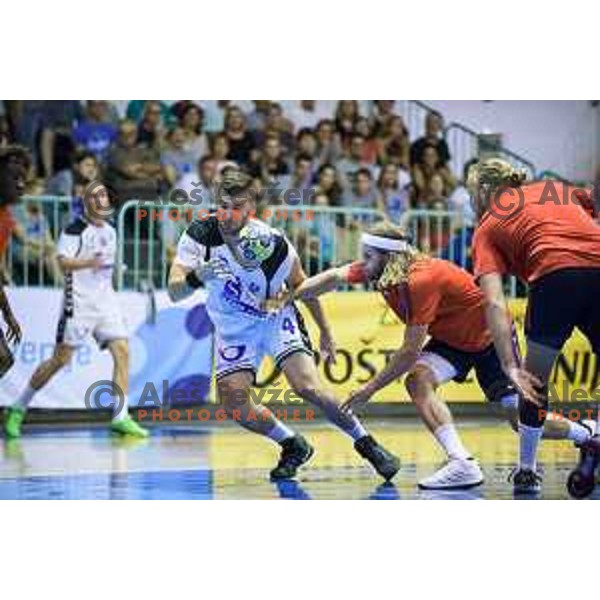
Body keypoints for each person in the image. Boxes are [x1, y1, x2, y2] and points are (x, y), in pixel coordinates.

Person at [283, 221, 599, 490]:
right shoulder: (382, 268)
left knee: (520, 420)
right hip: (454, 342)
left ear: (389, 257)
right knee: (418, 381)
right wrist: (287, 295)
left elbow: (409, 352)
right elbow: (333, 277)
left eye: (367, 256)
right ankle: (462, 462)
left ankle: (587, 432)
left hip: (492, 341)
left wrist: (369, 389)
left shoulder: (421, 281)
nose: (361, 263)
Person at [167, 169, 400, 481]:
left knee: (307, 387)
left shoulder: (272, 243)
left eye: (236, 208)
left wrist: (326, 332)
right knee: (235, 405)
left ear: (250, 209)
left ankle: (366, 442)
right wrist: (199, 276)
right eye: (222, 205)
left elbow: (305, 286)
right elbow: (174, 289)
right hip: (234, 329)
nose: (227, 214)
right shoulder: (198, 235)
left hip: (275, 319)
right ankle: (291, 444)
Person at [470, 158, 600, 494]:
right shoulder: (555, 188)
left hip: (555, 279)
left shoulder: (487, 225)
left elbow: (495, 302)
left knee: (534, 380)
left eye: (471, 191)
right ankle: (596, 436)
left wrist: (510, 366)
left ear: (484, 190)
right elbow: (593, 203)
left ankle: (527, 470)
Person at [4, 182, 149, 439]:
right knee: (60, 360)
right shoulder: (74, 230)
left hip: (105, 303)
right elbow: (62, 263)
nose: (99, 200)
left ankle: (120, 416)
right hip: (78, 304)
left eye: (103, 195)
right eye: (93, 196)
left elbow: (106, 272)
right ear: (86, 203)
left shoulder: (112, 232)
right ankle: (18, 407)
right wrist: (88, 262)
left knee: (123, 351)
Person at [0, 146, 28, 377]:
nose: (21, 185)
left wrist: (7, 315)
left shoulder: (7, 220)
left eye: (23, 179)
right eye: (15, 178)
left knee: (3, 359)